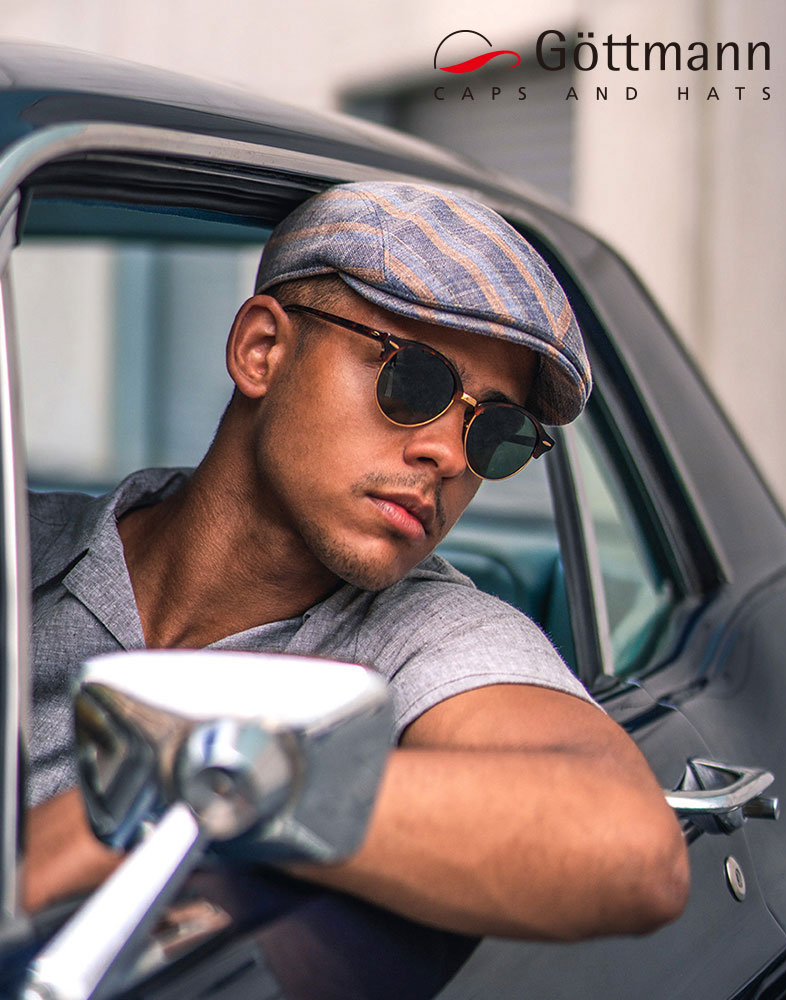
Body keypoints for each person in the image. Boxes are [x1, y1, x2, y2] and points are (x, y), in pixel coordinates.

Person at [24, 181, 688, 939]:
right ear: (262, 351)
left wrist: (201, 782)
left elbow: (630, 844)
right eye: (415, 379)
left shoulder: (428, 630)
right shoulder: (24, 544)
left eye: (494, 433)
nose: (448, 456)